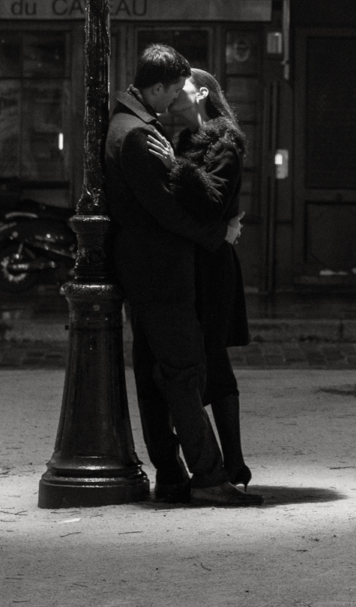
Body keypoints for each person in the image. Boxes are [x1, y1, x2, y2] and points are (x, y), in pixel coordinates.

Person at [102, 43, 256, 507]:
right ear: (157, 87)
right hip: (163, 274)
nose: (174, 99)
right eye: (173, 90)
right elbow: (169, 209)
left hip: (150, 274)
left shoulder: (140, 129)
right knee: (183, 374)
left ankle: (172, 474)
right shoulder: (136, 135)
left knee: (159, 377)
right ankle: (209, 476)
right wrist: (219, 234)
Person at [158, 69, 257, 495]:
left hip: (212, 264)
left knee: (210, 353)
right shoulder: (181, 142)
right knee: (206, 357)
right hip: (197, 258)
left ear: (200, 93)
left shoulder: (226, 141)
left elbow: (212, 200)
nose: (169, 93)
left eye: (178, 86)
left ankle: (228, 460)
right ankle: (230, 461)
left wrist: (171, 167)